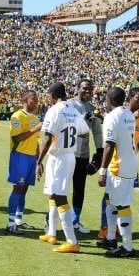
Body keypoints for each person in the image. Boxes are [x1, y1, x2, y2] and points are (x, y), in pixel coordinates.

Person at [37, 82, 90, 253]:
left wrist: (38, 161)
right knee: (53, 194)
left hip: (59, 157)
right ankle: (51, 233)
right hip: (68, 155)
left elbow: (46, 138)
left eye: (48, 95)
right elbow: (83, 130)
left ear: (52, 94)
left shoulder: (54, 110)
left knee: (60, 197)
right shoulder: (73, 109)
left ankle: (71, 241)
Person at [98, 87, 139, 239]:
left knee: (120, 205)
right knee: (112, 202)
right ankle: (110, 237)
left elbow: (109, 145)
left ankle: (126, 245)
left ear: (110, 99)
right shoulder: (129, 115)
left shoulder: (113, 116)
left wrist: (102, 171)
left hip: (117, 166)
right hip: (129, 164)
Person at [67, 80, 103, 234]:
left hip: (83, 155)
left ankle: (75, 221)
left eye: (90, 89)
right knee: (60, 188)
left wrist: (100, 152)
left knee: (79, 189)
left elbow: (97, 132)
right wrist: (83, 118)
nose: (87, 91)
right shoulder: (68, 105)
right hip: (67, 153)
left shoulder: (93, 109)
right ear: (78, 89)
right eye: (84, 88)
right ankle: (51, 221)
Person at [6, 90, 41, 233]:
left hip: (32, 157)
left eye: (37, 99)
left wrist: (39, 160)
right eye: (33, 98)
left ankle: (18, 220)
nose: (36, 101)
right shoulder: (17, 116)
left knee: (25, 188)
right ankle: (10, 223)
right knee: (18, 188)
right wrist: (34, 129)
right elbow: (16, 138)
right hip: (19, 155)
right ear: (25, 100)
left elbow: (36, 141)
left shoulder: (35, 118)